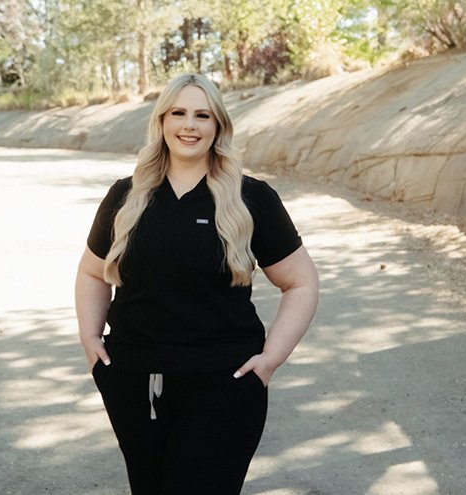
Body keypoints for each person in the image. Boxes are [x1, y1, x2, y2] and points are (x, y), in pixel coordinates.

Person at [74, 73, 319, 495]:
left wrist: (271, 359)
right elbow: (92, 273)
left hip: (224, 384)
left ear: (218, 126)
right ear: (162, 121)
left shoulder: (251, 198)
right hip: (133, 382)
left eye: (202, 115)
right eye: (179, 113)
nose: (190, 125)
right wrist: (90, 338)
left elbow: (301, 283)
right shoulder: (126, 197)